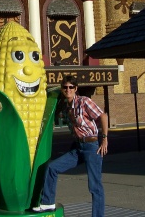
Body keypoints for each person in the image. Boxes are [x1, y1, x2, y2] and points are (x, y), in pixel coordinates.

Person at [33, 75, 108, 216]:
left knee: (94, 186)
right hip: (78, 147)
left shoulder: (84, 102)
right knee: (51, 168)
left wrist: (104, 139)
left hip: (92, 146)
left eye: (71, 87)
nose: (68, 90)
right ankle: (48, 203)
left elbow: (102, 116)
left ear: (76, 89)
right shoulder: (65, 106)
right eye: (65, 87)